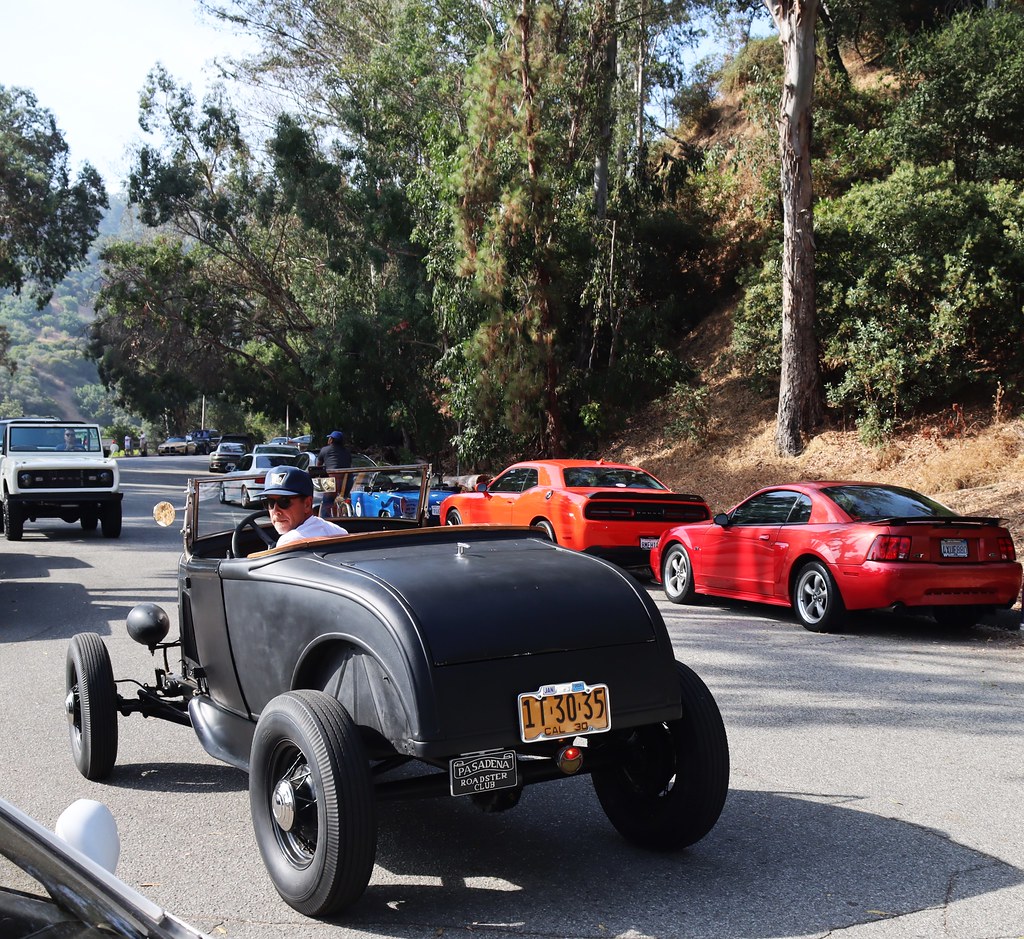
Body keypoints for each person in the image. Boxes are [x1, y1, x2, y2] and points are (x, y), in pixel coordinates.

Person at [261, 466, 348, 547]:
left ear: (307, 504)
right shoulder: (339, 531)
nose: (275, 511)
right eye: (270, 502)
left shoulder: (289, 541)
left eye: (284, 501)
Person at [317, 430, 352, 518]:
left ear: (331, 440)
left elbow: (318, 466)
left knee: (327, 502)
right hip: (345, 482)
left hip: (330, 481)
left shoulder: (324, 450)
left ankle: (325, 519)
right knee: (345, 498)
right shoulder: (347, 452)